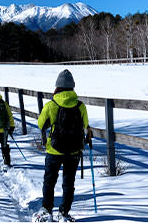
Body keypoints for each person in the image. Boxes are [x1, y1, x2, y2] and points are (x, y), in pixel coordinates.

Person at [34, 69, 91, 222]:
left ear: (57, 86)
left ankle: (47, 209)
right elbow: (86, 126)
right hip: (73, 151)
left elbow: (41, 124)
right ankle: (64, 212)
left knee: (50, 181)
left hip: (54, 150)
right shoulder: (80, 106)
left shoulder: (51, 105)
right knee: (69, 182)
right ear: (72, 86)